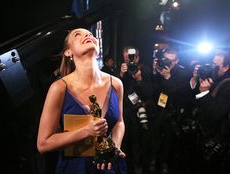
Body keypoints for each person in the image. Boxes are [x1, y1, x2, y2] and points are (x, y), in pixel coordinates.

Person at [37, 28, 127, 174]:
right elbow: (43, 143)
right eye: (77, 35)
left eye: (90, 34)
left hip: (109, 167)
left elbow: (119, 122)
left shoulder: (116, 84)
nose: (87, 35)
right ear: (68, 52)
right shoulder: (59, 88)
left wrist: (114, 147)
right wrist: (87, 131)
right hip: (75, 168)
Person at [150, 47, 194, 174]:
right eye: (165, 59)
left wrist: (168, 77)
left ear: (176, 61)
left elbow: (178, 93)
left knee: (168, 139)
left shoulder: (183, 73)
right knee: (155, 136)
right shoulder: (158, 69)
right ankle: (153, 159)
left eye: (171, 60)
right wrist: (154, 72)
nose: (167, 63)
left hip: (173, 110)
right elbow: (152, 90)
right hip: (158, 108)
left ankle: (164, 162)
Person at [190, 50, 230, 174]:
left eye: (215, 65)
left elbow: (215, 114)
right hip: (203, 135)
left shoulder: (227, 85)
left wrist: (205, 92)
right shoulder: (213, 79)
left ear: (226, 67)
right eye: (211, 64)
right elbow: (195, 101)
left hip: (216, 140)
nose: (211, 68)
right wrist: (196, 80)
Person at [119, 46, 153, 174]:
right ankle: (127, 165)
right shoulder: (124, 71)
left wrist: (139, 80)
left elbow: (149, 94)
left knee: (139, 142)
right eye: (126, 59)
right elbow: (119, 91)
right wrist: (121, 75)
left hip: (141, 112)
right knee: (127, 141)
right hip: (127, 112)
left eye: (131, 58)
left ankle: (139, 166)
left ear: (137, 58)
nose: (129, 61)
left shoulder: (146, 70)